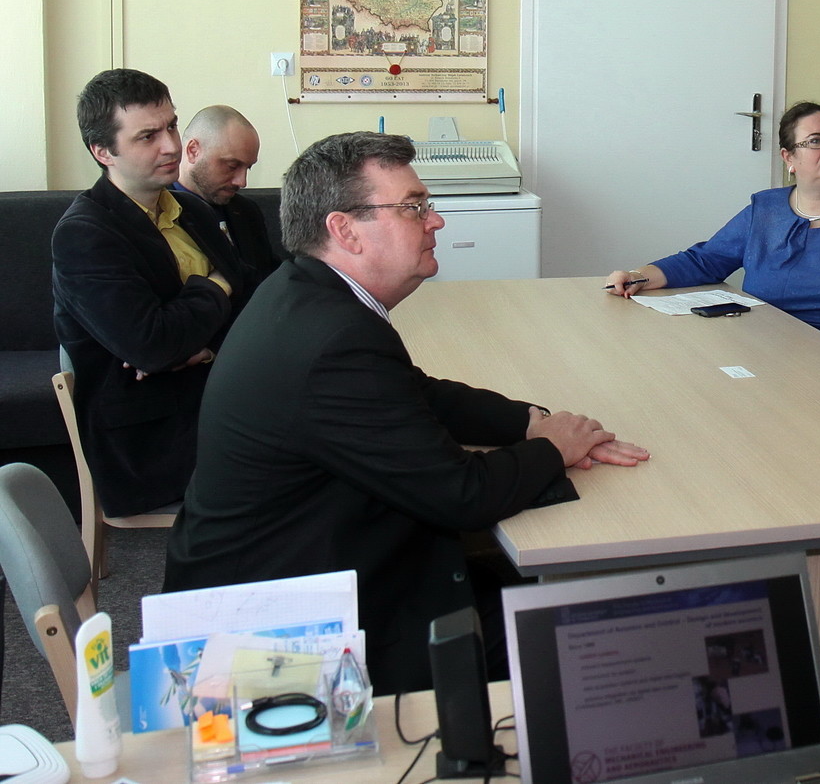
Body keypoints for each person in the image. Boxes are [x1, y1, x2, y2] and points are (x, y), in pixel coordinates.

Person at [163, 131, 648, 694]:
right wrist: (554, 447)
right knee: (593, 635)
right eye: (414, 207)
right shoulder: (333, 341)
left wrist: (529, 420)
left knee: (540, 587)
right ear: (345, 230)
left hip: (302, 569)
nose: (435, 221)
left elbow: (415, 392)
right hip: (286, 634)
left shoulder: (306, 293)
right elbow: (462, 495)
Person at [53, 69, 250, 517]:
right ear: (103, 151)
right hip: (154, 437)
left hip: (216, 394)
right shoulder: (84, 234)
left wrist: (202, 347)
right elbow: (154, 346)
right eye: (147, 136)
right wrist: (216, 284)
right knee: (320, 462)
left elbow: (249, 301)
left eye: (171, 126)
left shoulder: (193, 210)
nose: (171, 146)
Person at [604, 102, 820, 351]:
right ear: (788, 157)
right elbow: (706, 260)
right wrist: (638, 277)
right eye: (815, 141)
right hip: (764, 342)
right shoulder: (766, 208)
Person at [173, 104, 283, 284]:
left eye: (248, 168)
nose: (242, 182)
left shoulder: (247, 212)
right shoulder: (158, 212)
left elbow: (269, 279)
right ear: (193, 151)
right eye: (232, 166)